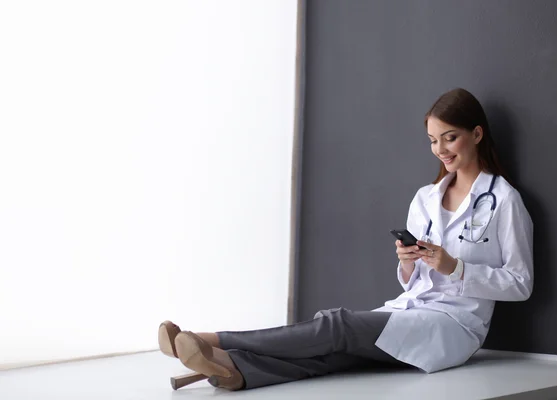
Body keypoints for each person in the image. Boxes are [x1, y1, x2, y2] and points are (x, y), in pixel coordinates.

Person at [157, 88, 534, 391]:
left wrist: (457, 267)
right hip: (411, 309)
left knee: (337, 326)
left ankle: (214, 340)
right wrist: (407, 261)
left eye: (450, 138)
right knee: (335, 355)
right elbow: (414, 280)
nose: (441, 150)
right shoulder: (426, 197)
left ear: (477, 134)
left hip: (454, 327)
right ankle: (234, 370)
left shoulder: (504, 201)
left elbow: (521, 284)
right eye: (433, 140)